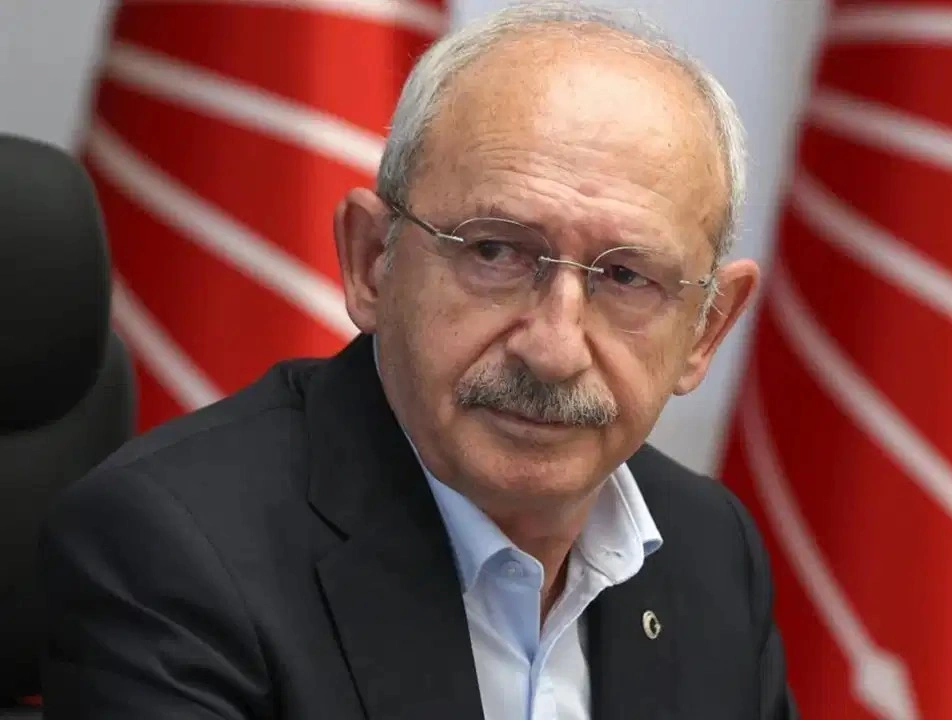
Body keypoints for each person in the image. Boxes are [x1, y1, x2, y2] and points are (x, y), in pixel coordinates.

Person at [39, 2, 795, 718]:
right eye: (496, 251)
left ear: (706, 329)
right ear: (372, 261)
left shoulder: (710, 550)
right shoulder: (173, 552)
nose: (554, 349)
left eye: (626, 277)